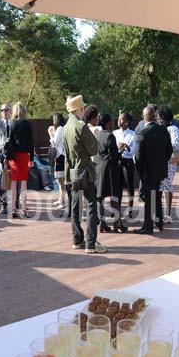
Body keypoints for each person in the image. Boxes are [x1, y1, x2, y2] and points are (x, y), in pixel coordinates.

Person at [64, 95, 105, 254]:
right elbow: (94, 149)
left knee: (75, 207)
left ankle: (77, 239)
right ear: (79, 109)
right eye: (82, 108)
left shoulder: (67, 126)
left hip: (72, 171)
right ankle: (91, 243)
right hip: (85, 171)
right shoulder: (81, 126)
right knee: (91, 206)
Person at [135, 105, 173, 234]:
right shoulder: (163, 130)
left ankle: (148, 226)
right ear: (154, 116)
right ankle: (159, 222)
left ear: (144, 117)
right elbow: (169, 151)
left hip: (147, 172)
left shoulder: (142, 133)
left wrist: (140, 170)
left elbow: (138, 156)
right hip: (160, 170)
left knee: (149, 199)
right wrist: (161, 162)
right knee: (156, 196)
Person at [95, 113, 125, 233]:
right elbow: (113, 157)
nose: (113, 124)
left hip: (99, 168)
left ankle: (102, 224)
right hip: (110, 170)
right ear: (107, 123)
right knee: (114, 197)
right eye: (111, 121)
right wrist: (121, 150)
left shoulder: (98, 135)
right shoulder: (110, 136)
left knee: (100, 197)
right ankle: (117, 224)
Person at [5, 102, 34, 218]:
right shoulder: (28, 124)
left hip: (13, 156)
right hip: (23, 155)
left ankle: (12, 210)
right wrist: (31, 158)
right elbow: (31, 142)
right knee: (24, 183)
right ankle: (24, 210)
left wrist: (8, 158)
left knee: (13, 183)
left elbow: (9, 141)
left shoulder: (11, 123)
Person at [157, 106, 179, 223]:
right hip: (160, 161)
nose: (158, 120)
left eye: (160, 118)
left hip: (169, 162)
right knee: (160, 186)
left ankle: (168, 214)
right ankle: (160, 212)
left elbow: (175, 145)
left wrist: (162, 148)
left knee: (167, 186)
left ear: (164, 118)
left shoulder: (173, 129)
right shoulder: (160, 128)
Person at [113, 112, 136, 216]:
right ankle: (116, 209)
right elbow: (113, 148)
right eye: (118, 119)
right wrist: (120, 148)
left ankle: (130, 210)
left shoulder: (132, 134)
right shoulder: (115, 133)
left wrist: (125, 147)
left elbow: (132, 152)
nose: (119, 121)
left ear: (126, 122)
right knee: (117, 187)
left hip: (127, 162)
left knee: (129, 187)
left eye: (121, 119)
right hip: (117, 162)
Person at [50, 113, 67, 209]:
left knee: (61, 180)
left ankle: (63, 201)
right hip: (59, 156)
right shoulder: (60, 129)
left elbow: (55, 143)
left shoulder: (60, 129)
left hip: (60, 156)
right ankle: (61, 198)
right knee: (59, 180)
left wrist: (50, 134)